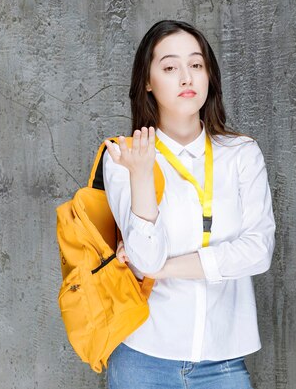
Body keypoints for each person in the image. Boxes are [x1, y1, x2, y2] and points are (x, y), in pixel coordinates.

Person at [101, 19, 276, 389]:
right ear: (147, 81)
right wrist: (143, 175)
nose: (186, 78)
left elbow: (258, 252)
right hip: (142, 359)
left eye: (196, 65)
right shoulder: (124, 156)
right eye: (169, 67)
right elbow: (145, 258)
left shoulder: (241, 154)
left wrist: (163, 270)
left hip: (222, 362)